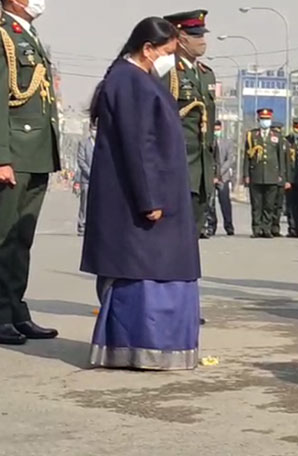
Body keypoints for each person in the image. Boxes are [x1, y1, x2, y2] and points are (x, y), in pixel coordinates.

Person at [81, 17, 200, 370]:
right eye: (167, 52)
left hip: (160, 191)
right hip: (143, 198)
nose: (171, 59)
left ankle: (157, 348)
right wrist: (150, 199)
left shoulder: (139, 78)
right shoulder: (128, 80)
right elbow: (138, 146)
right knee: (146, 270)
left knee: (162, 267)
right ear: (147, 49)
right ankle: (140, 347)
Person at [0, 0, 60, 345]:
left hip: (36, 152)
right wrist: (2, 156)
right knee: (4, 239)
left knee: (21, 240)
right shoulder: (5, 35)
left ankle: (16, 311)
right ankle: (1, 315)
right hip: (14, 153)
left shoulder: (28, 36)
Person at [160, 10, 217, 240]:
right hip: (179, 163)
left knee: (192, 234)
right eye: (196, 35)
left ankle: (185, 277)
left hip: (202, 167)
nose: (202, 41)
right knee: (171, 235)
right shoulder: (167, 72)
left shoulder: (206, 75)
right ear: (181, 38)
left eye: (202, 35)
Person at [244, 108, 290, 238]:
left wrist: (282, 175)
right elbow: (246, 157)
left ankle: (267, 228)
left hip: (272, 175)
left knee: (269, 205)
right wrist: (246, 175)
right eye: (263, 119)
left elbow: (281, 157)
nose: (265, 121)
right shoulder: (252, 135)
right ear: (258, 120)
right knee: (256, 204)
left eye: (267, 119)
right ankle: (256, 228)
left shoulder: (277, 136)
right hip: (256, 174)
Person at [207, 120, 235, 236]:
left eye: (218, 129)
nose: (216, 131)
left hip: (223, 177)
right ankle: (211, 225)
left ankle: (229, 226)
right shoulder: (208, 142)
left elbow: (230, 160)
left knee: (225, 202)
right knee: (210, 203)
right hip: (210, 177)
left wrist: (219, 174)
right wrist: (212, 174)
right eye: (215, 129)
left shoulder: (227, 142)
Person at [76, 126, 97, 237]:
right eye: (93, 129)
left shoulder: (102, 143)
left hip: (99, 179)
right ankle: (82, 224)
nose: (95, 131)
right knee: (84, 203)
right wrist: (90, 173)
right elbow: (81, 160)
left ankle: (93, 225)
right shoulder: (83, 143)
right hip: (86, 180)